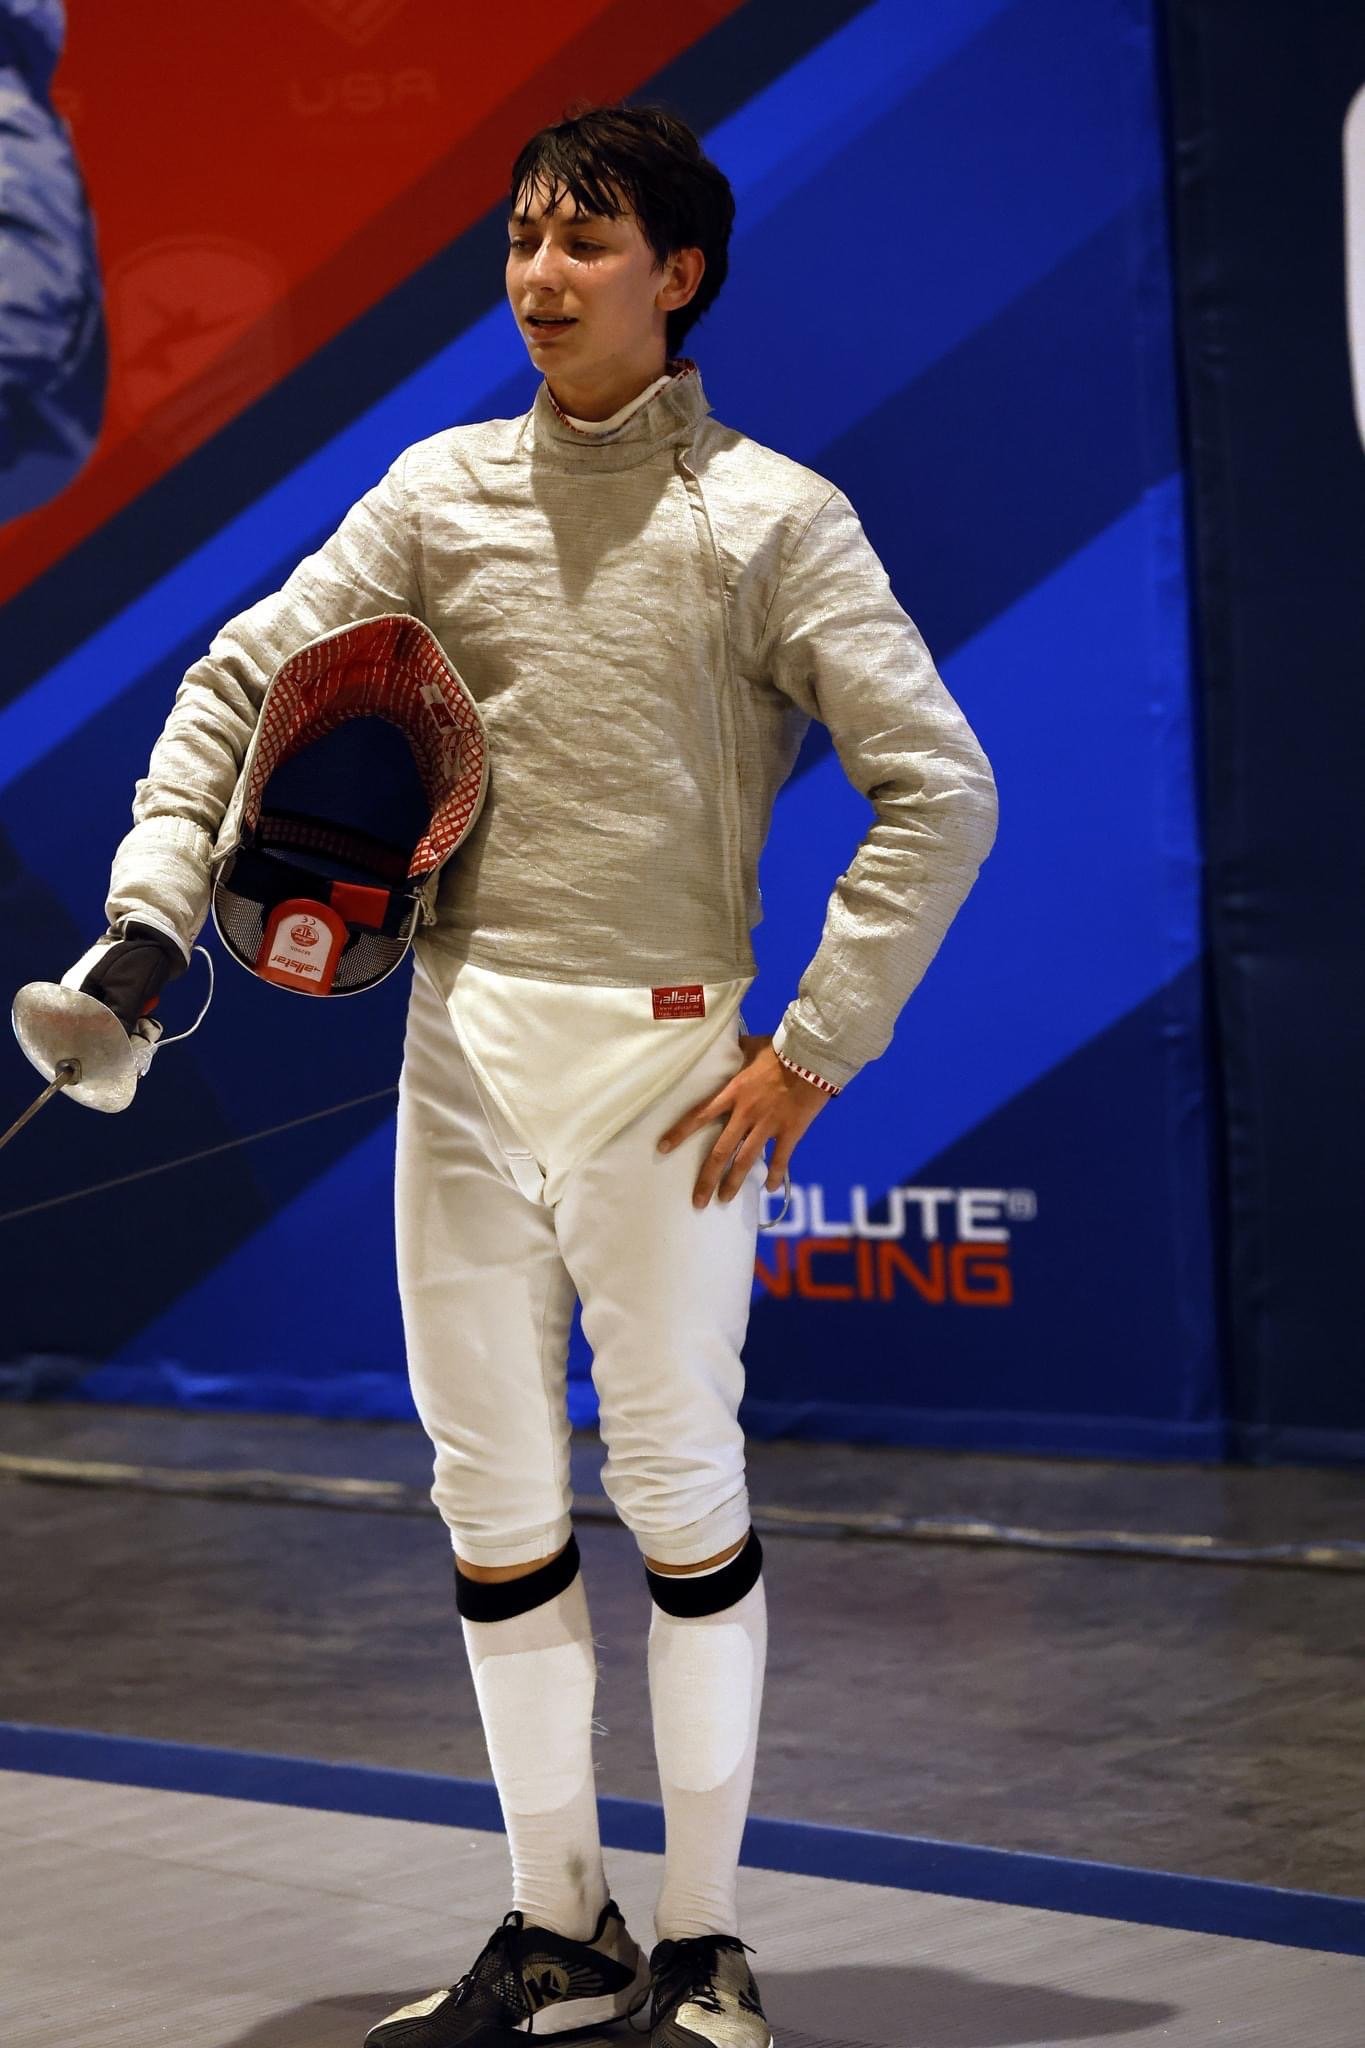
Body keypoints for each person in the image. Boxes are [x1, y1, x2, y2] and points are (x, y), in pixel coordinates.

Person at [79, 102, 998, 2048]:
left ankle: (704, 1939)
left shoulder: (770, 518)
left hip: (672, 1072)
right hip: (462, 1051)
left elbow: (940, 787)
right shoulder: (432, 496)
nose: (533, 275)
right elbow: (238, 681)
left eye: (580, 242)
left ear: (675, 273)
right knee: (488, 1496)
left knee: (678, 1489)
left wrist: (812, 1042)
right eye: (515, 238)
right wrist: (153, 918)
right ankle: (554, 1924)